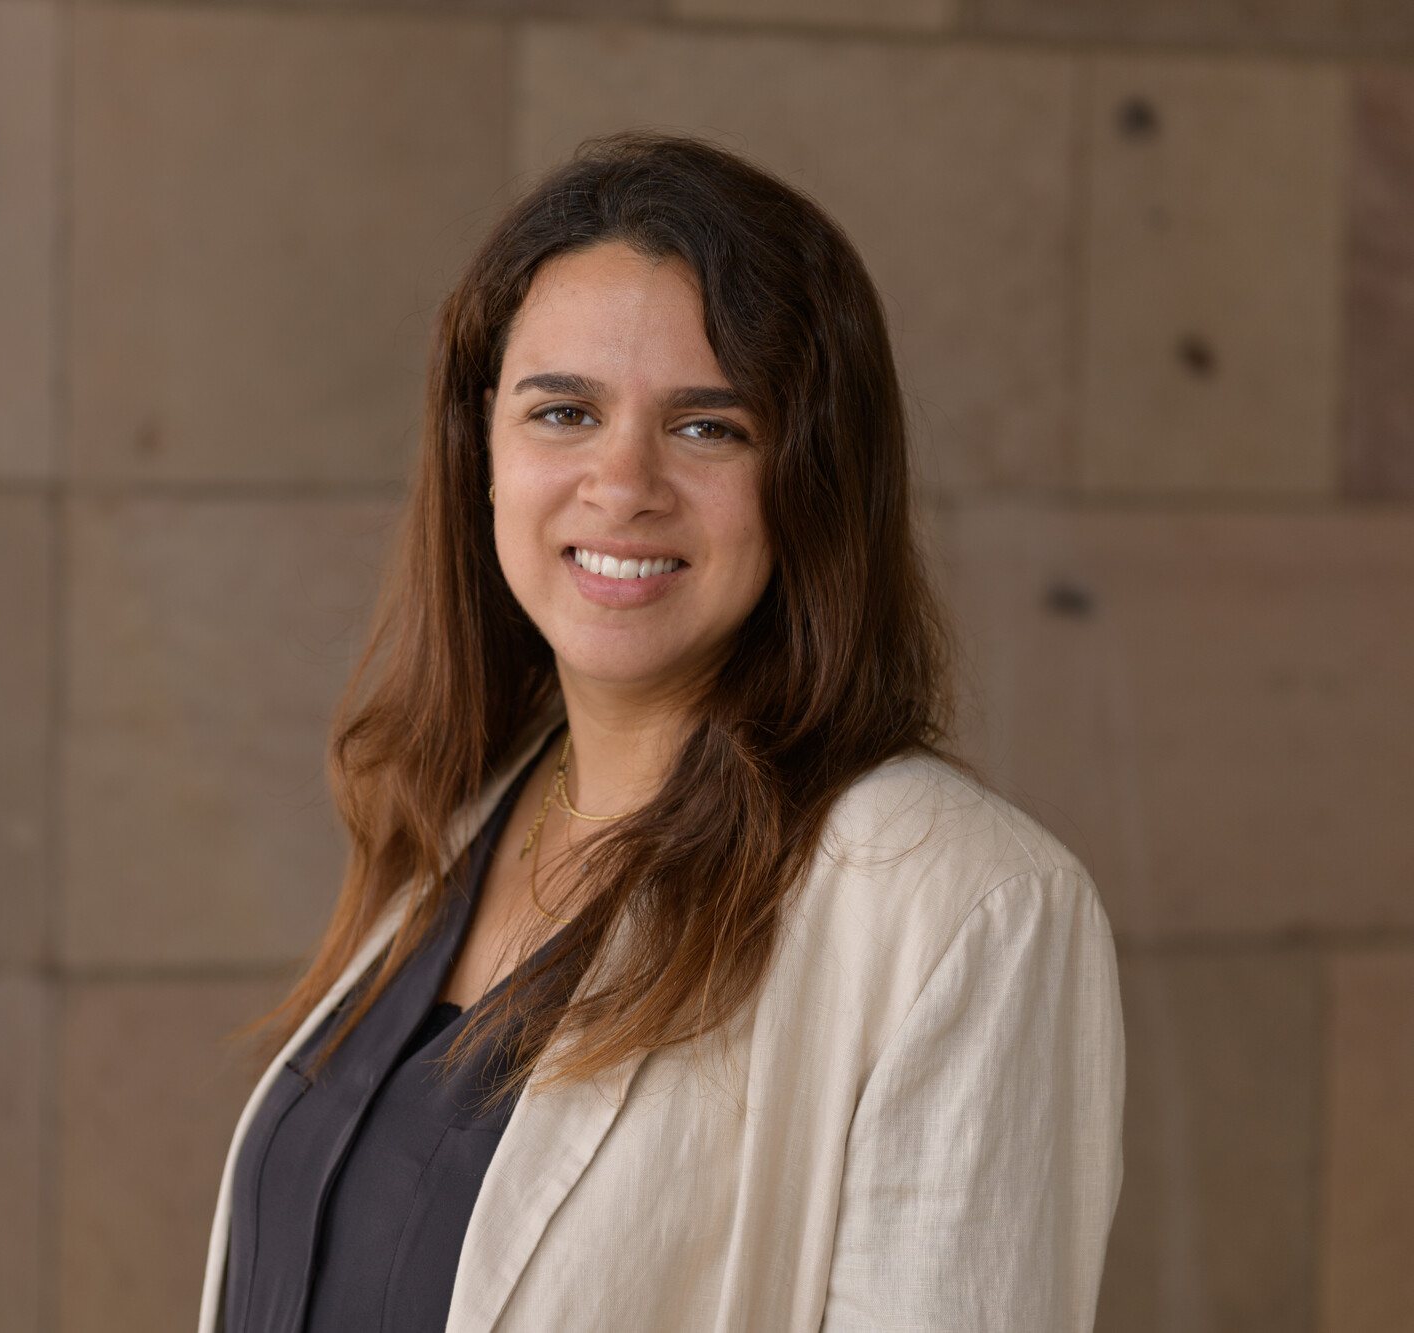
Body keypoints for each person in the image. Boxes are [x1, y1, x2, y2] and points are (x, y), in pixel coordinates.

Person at [200, 133, 1123, 1333]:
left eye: (707, 428)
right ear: (482, 451)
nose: (621, 482)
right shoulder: (475, 807)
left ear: (812, 479)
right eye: (564, 411)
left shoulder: (962, 906)